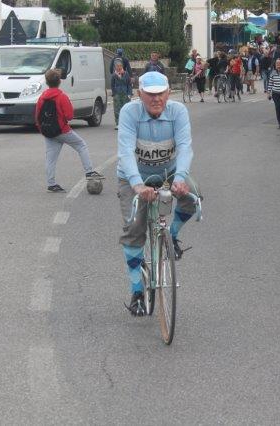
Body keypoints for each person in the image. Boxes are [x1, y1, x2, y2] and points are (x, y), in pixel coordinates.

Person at [116, 71, 200, 316]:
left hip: (168, 172)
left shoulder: (178, 112)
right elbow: (125, 151)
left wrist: (181, 178)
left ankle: (171, 237)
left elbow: (185, 146)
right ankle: (137, 292)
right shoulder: (129, 112)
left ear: (168, 93)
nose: (156, 99)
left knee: (193, 198)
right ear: (139, 94)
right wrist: (137, 185)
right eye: (150, 94)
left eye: (160, 93)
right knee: (134, 228)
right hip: (133, 177)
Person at [35, 68, 104, 193]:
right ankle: (89, 171)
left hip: (48, 131)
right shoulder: (61, 96)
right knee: (81, 145)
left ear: (47, 82)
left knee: (50, 158)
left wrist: (43, 130)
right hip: (62, 130)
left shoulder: (42, 97)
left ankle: (51, 184)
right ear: (59, 82)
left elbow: (37, 116)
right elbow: (69, 116)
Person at [111, 59, 132, 130]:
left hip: (125, 93)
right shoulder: (114, 75)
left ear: (122, 66)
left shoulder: (126, 74)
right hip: (117, 94)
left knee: (126, 109)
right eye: (117, 66)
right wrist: (114, 93)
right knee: (117, 109)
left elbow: (129, 84)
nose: (119, 67)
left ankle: (127, 123)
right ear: (115, 67)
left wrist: (129, 93)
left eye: (120, 66)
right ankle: (118, 123)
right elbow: (112, 85)